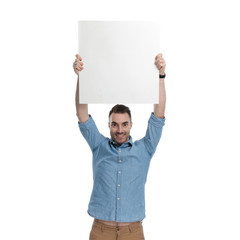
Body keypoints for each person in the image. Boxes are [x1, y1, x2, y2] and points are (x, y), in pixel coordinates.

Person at [73, 53, 166, 240]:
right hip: (101, 231)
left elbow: (159, 114)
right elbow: (81, 113)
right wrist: (81, 77)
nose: (120, 130)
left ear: (131, 125)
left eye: (124, 124)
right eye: (114, 124)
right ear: (109, 125)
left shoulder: (145, 148)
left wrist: (160, 76)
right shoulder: (99, 146)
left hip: (132, 232)